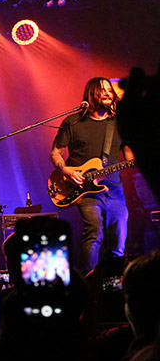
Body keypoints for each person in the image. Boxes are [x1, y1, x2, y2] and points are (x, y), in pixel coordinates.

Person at [50, 77, 133, 273]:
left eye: (109, 91)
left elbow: (130, 157)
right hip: (84, 190)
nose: (107, 93)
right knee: (94, 232)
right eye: (102, 90)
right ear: (91, 93)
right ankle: (89, 283)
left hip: (114, 189)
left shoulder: (118, 123)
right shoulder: (73, 122)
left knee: (118, 237)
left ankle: (113, 282)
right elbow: (55, 151)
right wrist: (66, 170)